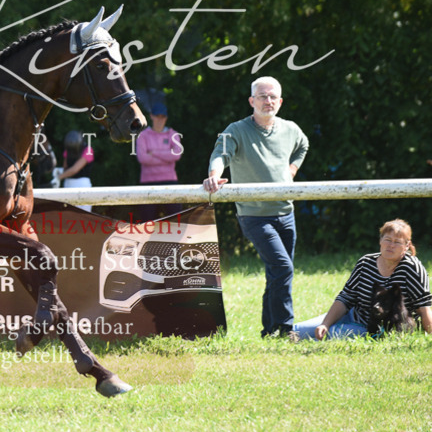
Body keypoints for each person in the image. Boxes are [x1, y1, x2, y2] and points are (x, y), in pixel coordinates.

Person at [203, 76, 309, 337]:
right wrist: (215, 174)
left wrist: (292, 169)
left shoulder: (291, 129)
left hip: (286, 212)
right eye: (262, 96)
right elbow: (220, 154)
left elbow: (303, 145)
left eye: (273, 96)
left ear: (280, 101)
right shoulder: (236, 129)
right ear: (252, 100)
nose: (268, 101)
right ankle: (285, 329)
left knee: (277, 272)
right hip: (254, 215)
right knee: (283, 268)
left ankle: (269, 330)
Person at [292, 219, 432, 339]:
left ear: (407, 246)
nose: (391, 245)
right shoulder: (366, 262)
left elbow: (424, 306)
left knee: (334, 333)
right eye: (387, 240)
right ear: (380, 241)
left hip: (379, 329)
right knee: (295, 330)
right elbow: (346, 297)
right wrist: (325, 323)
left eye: (397, 242)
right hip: (354, 315)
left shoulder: (412, 268)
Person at [135, 101, 183, 220]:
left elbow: (176, 155)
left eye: (163, 117)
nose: (160, 119)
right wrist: (167, 156)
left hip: (170, 182)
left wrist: (154, 153)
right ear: (151, 116)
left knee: (176, 220)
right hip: (147, 182)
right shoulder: (143, 135)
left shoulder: (173, 134)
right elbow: (142, 158)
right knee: (147, 222)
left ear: (166, 118)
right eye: (157, 116)